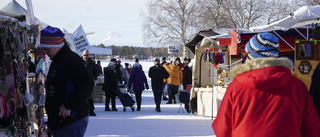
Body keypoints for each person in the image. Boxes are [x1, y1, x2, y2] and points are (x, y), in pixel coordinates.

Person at [212, 32, 320, 137]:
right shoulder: (298, 87)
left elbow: (222, 129)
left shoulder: (235, 88)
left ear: (250, 55)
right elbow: (312, 128)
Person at [38, 26, 94, 137]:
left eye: (47, 49)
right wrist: (52, 124)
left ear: (57, 46)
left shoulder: (71, 60)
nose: (45, 52)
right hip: (61, 122)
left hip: (71, 120)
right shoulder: (57, 60)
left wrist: (69, 105)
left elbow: (87, 83)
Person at [82, 49, 98, 116]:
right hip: (81, 82)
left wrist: (94, 78)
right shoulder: (79, 62)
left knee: (90, 97)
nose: (86, 56)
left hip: (89, 82)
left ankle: (91, 110)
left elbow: (95, 72)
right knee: (82, 97)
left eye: (87, 55)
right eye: (85, 55)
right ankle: (82, 111)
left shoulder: (92, 63)